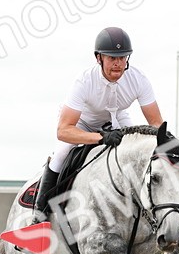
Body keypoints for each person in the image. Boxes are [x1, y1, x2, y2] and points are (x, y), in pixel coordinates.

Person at [34, 26, 166, 215]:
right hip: (82, 123)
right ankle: (39, 215)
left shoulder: (139, 79)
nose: (118, 64)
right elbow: (63, 131)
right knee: (61, 153)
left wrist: (166, 144)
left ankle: (146, 211)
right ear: (99, 58)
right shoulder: (84, 82)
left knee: (139, 148)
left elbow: (156, 123)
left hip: (117, 118)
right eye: (112, 58)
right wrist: (101, 138)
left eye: (122, 58)